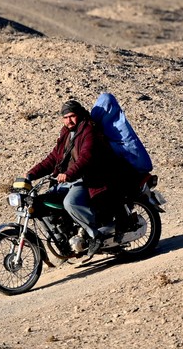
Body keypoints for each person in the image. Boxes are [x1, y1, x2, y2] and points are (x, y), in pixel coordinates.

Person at [27, 99, 120, 252]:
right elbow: (53, 158)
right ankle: (64, 241)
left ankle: (95, 235)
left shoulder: (89, 130)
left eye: (72, 116)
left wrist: (68, 174)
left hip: (87, 179)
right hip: (68, 181)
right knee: (42, 204)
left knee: (71, 203)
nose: (68, 120)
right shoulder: (66, 133)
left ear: (80, 115)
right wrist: (31, 174)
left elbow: (86, 157)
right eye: (65, 117)